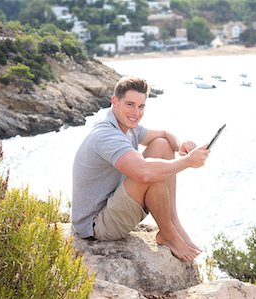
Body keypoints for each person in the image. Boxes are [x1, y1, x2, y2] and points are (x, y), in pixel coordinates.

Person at [72, 76, 209, 261]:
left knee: (162, 145)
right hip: (96, 225)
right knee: (152, 174)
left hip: (113, 205)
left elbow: (164, 134)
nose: (136, 112)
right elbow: (143, 172)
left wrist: (180, 146)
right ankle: (168, 234)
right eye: (130, 104)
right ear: (115, 101)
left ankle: (173, 221)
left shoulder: (128, 126)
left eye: (141, 106)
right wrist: (188, 162)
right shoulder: (106, 135)